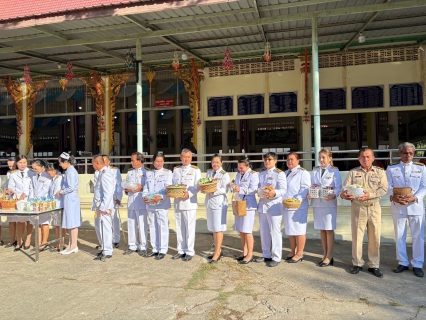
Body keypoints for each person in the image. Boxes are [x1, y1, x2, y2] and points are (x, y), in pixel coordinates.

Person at [340, 148, 388, 278]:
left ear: (373, 158)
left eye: (368, 157)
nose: (365, 159)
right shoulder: (353, 173)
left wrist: (370, 195)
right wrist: (344, 195)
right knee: (357, 237)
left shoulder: (380, 172)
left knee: (375, 237)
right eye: (362, 157)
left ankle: (374, 265)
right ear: (358, 158)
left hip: (374, 207)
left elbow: (384, 189)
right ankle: (357, 263)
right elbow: (344, 190)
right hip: (358, 208)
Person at [386, 142, 426, 278]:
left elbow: (424, 187)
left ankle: (417, 264)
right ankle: (402, 262)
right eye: (405, 153)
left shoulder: (421, 168)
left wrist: (414, 198)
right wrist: (393, 197)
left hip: (416, 207)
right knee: (399, 236)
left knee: (418, 237)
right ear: (399, 153)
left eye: (410, 153)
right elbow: (388, 186)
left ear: (413, 154)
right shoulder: (392, 168)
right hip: (398, 207)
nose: (408, 155)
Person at [308, 148, 342, 267]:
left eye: (323, 157)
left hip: (329, 203)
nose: (321, 160)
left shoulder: (334, 171)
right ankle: (324, 254)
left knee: (328, 229)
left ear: (329, 158)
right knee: (322, 229)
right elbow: (312, 185)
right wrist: (310, 192)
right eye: (320, 157)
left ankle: (329, 255)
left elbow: (338, 187)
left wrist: (334, 194)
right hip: (318, 203)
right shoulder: (315, 170)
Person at [255, 152, 287, 267]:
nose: (267, 162)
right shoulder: (262, 173)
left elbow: (283, 190)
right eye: (265, 160)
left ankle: (276, 256)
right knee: (264, 232)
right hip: (263, 205)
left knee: (275, 232)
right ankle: (266, 254)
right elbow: (257, 188)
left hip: (274, 205)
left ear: (275, 160)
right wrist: (260, 192)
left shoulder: (280, 174)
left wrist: (274, 193)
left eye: (269, 159)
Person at [172, 148, 201, 262]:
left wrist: (188, 194)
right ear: (180, 157)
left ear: (191, 158)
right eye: (184, 157)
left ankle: (189, 251)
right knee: (179, 227)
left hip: (189, 203)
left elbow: (197, 186)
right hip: (178, 202)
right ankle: (181, 250)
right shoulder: (176, 170)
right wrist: (175, 192)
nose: (186, 159)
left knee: (189, 228)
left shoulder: (195, 170)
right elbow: (173, 184)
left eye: (188, 157)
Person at [142, 152, 172, 260]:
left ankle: (163, 249)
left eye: (161, 161)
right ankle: (155, 248)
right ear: (153, 162)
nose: (159, 163)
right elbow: (146, 187)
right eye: (157, 161)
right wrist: (144, 196)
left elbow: (167, 188)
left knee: (162, 226)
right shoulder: (149, 173)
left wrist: (160, 197)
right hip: (150, 204)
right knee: (153, 226)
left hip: (162, 204)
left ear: (163, 162)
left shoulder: (168, 173)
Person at [282, 152, 310, 263]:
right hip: (287, 205)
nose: (289, 161)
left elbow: (305, 188)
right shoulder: (284, 173)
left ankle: (299, 253)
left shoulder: (303, 173)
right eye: (288, 159)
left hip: (298, 206)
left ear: (298, 161)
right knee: (290, 230)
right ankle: (293, 250)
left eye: (292, 159)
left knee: (299, 230)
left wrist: (296, 199)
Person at [230, 156, 259, 265]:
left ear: (248, 166)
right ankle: (244, 251)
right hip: (239, 204)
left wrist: (240, 189)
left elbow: (254, 189)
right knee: (241, 230)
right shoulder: (238, 175)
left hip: (248, 205)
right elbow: (235, 187)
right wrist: (232, 186)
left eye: (242, 168)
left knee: (247, 230)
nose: (240, 170)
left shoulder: (253, 175)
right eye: (239, 167)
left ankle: (250, 254)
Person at [203, 154, 230, 264]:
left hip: (219, 204)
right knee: (214, 229)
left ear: (221, 163)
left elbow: (225, 189)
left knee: (218, 229)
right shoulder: (209, 172)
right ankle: (217, 250)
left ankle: (218, 253)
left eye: (217, 162)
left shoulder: (224, 174)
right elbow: (205, 183)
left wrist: (213, 191)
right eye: (213, 162)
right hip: (210, 203)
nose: (215, 164)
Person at [6, 155, 35, 251]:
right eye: (20, 163)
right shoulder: (13, 175)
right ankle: (19, 241)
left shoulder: (32, 173)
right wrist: (11, 193)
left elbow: (33, 187)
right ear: (17, 163)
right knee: (20, 221)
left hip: (30, 199)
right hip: (19, 201)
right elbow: (11, 187)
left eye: (24, 162)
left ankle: (28, 239)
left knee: (30, 221)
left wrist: (26, 194)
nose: (22, 165)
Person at [123, 152, 149, 256]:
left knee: (142, 224)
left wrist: (141, 187)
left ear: (139, 160)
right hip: (131, 200)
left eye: (133, 160)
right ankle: (132, 245)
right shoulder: (130, 172)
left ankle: (143, 246)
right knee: (131, 224)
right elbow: (126, 185)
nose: (131, 162)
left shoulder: (147, 172)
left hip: (141, 201)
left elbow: (149, 186)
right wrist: (126, 189)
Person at [57, 152, 81, 255]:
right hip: (69, 198)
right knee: (70, 222)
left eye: (61, 163)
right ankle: (71, 244)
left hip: (71, 198)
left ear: (66, 162)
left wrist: (61, 192)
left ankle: (73, 245)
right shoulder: (69, 171)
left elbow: (71, 187)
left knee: (72, 223)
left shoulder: (71, 172)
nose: (60, 165)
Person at [91, 155, 115, 261]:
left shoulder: (105, 174)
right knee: (101, 228)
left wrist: (103, 207)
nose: (92, 166)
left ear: (97, 163)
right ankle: (105, 248)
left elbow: (108, 192)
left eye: (93, 164)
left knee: (105, 228)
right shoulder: (101, 173)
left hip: (104, 206)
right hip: (99, 204)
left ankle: (107, 251)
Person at [31, 159, 52, 251]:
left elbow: (45, 189)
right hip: (35, 202)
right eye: (33, 169)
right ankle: (38, 242)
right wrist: (33, 199)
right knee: (38, 223)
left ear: (42, 167)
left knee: (45, 222)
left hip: (44, 201)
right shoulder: (34, 176)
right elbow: (33, 189)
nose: (35, 170)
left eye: (36, 168)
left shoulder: (47, 176)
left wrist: (38, 199)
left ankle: (44, 242)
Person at [102, 155, 123, 248]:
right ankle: (105, 241)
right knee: (103, 219)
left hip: (113, 198)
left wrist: (118, 197)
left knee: (114, 219)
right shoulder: (99, 171)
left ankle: (115, 239)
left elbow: (119, 184)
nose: (103, 162)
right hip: (103, 199)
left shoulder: (115, 170)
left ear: (109, 161)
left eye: (105, 161)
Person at [46, 162, 65, 252]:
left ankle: (61, 243)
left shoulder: (61, 178)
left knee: (60, 225)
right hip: (54, 205)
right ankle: (59, 242)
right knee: (57, 225)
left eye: (49, 171)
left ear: (55, 170)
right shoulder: (53, 179)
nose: (48, 173)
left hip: (59, 204)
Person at [4, 157, 16, 248]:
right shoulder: (8, 173)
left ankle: (20, 240)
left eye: (13, 166)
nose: (11, 168)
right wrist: (6, 190)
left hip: (18, 198)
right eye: (9, 166)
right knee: (11, 221)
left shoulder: (21, 173)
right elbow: (6, 185)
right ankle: (12, 239)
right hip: (9, 199)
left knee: (20, 221)